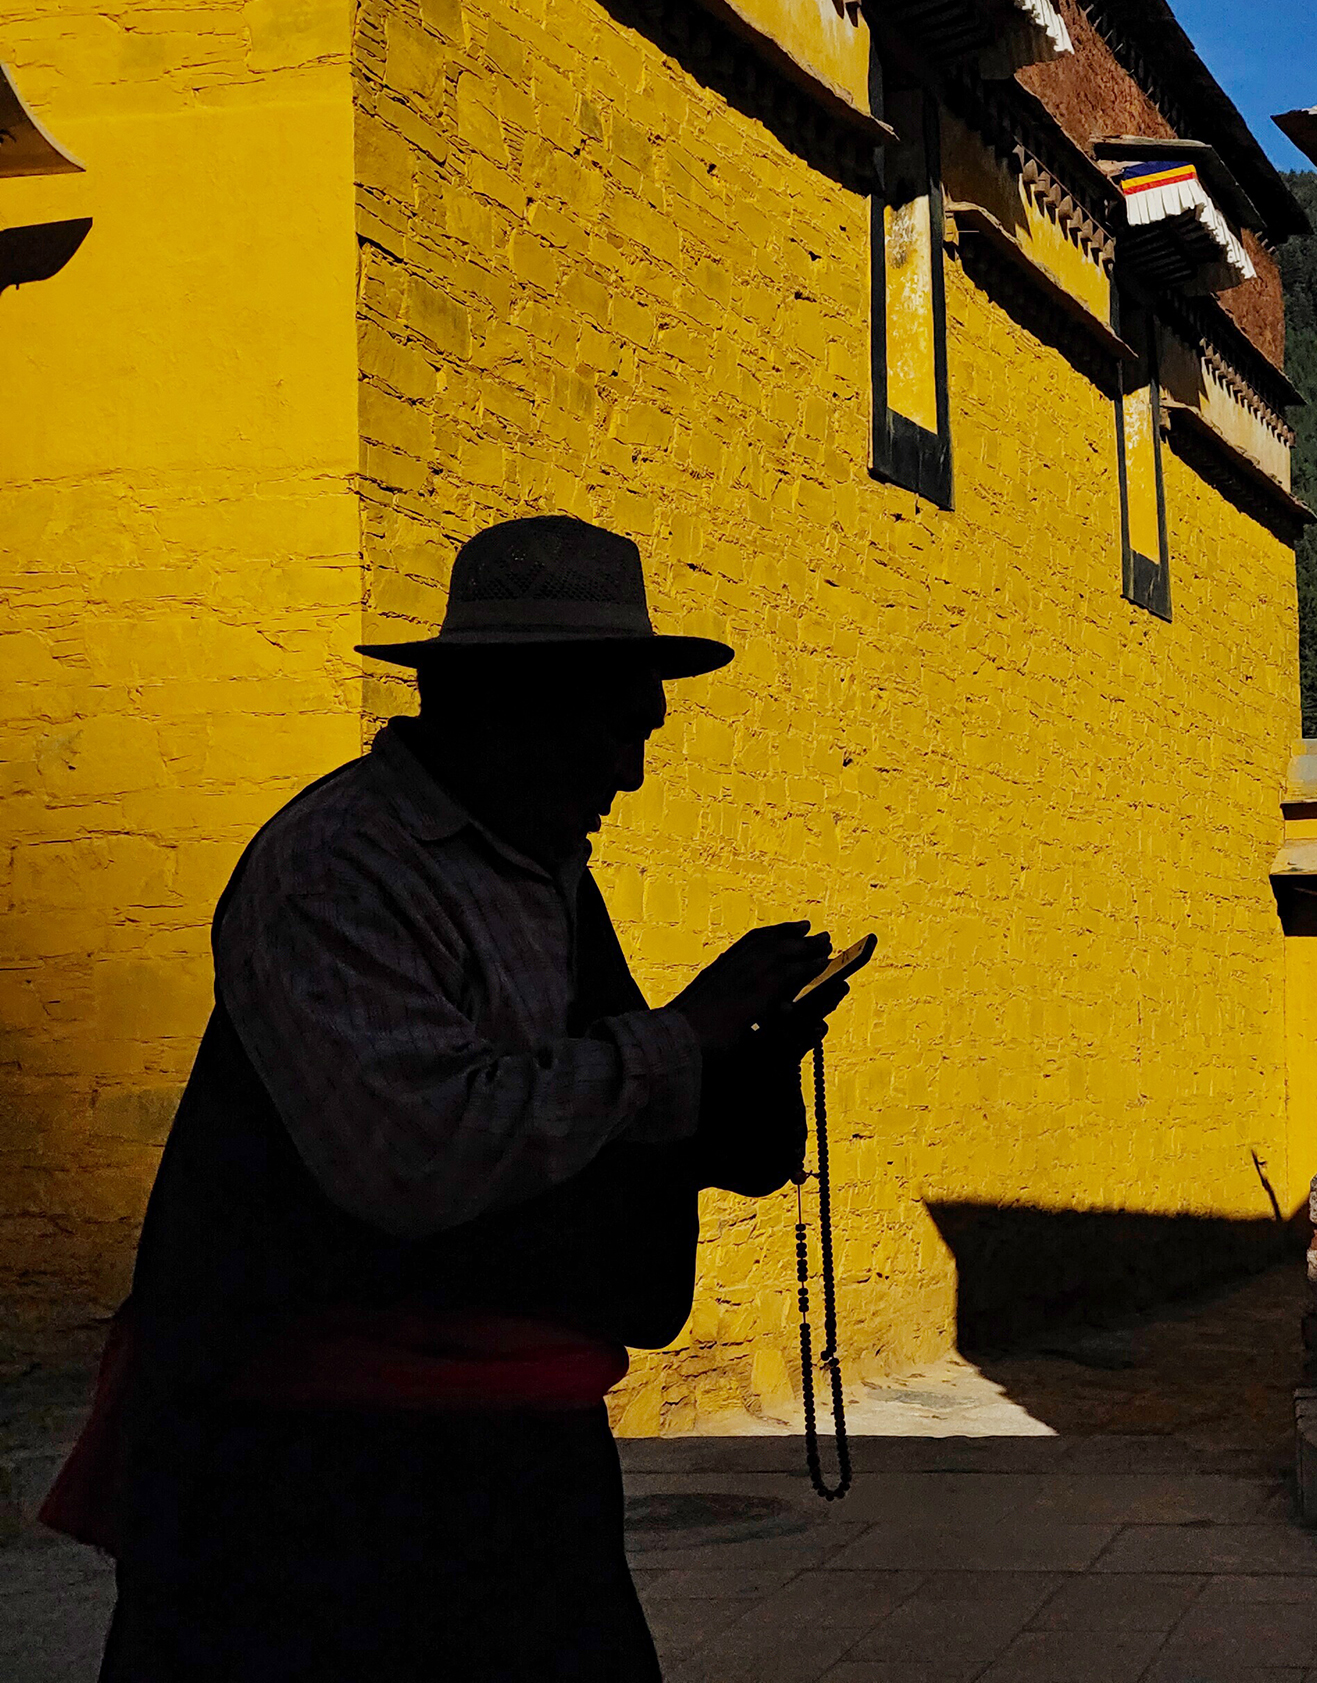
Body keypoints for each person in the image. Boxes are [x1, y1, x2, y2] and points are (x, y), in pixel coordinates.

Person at [52, 516, 844, 1680]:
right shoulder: (339, 866)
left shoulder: (541, 868)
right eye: (612, 733)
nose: (628, 775)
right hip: (319, 1477)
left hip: (512, 1455)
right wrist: (681, 1039)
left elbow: (591, 1108)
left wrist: (742, 1059)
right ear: (510, 708)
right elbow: (421, 1151)